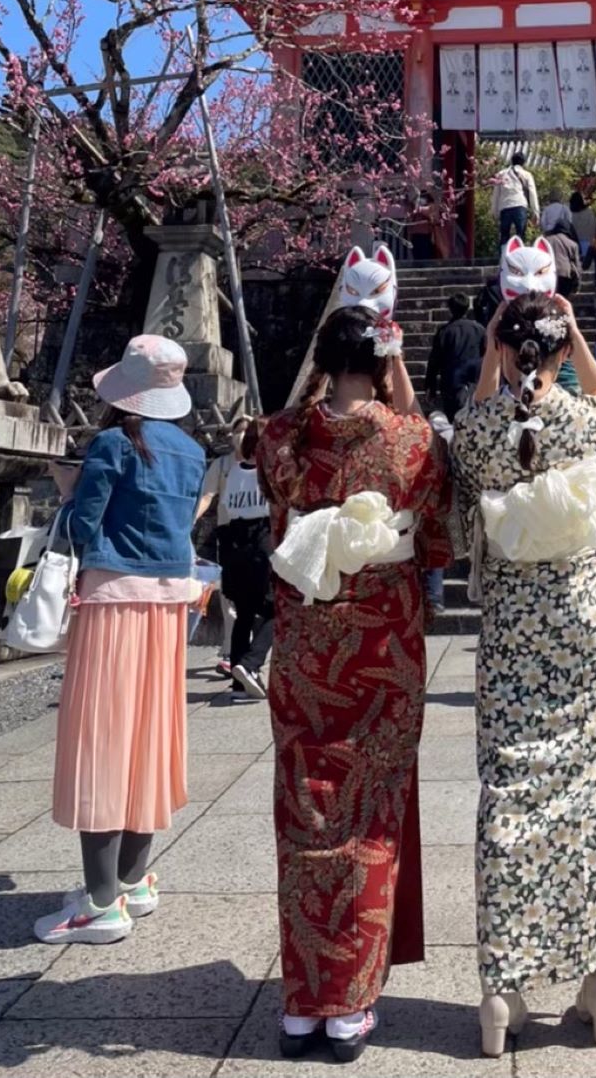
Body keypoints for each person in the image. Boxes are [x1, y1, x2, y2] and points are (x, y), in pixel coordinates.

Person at [256, 307, 454, 1060]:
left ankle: (304, 1005)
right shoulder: (412, 440)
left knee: (307, 809)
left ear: (323, 357)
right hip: (383, 647)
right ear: (383, 361)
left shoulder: (278, 438)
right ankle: (351, 1007)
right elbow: (433, 537)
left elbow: (273, 485)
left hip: (307, 644)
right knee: (371, 812)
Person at [453, 294, 596, 1055]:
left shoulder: (478, 431)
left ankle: (503, 993)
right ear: (564, 349)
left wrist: (494, 363)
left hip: (512, 633)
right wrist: (575, 345)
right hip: (587, 622)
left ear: (504, 346)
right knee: (595, 795)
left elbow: (464, 483)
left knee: (510, 794)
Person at [35, 335, 206, 946]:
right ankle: (133, 879)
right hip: (168, 604)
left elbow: (86, 522)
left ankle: (101, 903)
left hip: (112, 600)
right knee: (148, 738)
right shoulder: (190, 450)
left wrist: (69, 492)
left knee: (101, 740)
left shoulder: (112, 442)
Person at [203, 417, 274, 701]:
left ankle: (238, 681)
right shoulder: (267, 471)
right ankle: (251, 664)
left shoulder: (232, 472)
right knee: (275, 609)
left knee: (244, 613)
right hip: (261, 543)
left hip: (233, 544)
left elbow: (220, 505)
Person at [424, 292, 488, 423]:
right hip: (475, 381)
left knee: (453, 420)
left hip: (450, 382)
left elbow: (435, 360)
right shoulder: (479, 329)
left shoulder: (445, 331)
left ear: (450, 309)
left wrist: (430, 386)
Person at [490, 151, 539, 245]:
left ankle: (503, 257)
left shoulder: (501, 174)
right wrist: (535, 212)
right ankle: (519, 256)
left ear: (512, 161)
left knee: (504, 236)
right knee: (520, 236)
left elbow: (496, 194)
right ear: (523, 162)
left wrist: (494, 211)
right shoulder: (526, 174)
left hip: (505, 206)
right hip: (520, 205)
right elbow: (532, 193)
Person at [548, 224, 583, 301]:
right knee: (563, 300)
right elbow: (578, 266)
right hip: (565, 275)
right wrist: (577, 286)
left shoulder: (547, 240)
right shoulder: (573, 244)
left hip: (549, 274)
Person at [570, 189, 596, 257]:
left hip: (575, 243)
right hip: (588, 242)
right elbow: (594, 227)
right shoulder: (589, 213)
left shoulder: (571, 214)